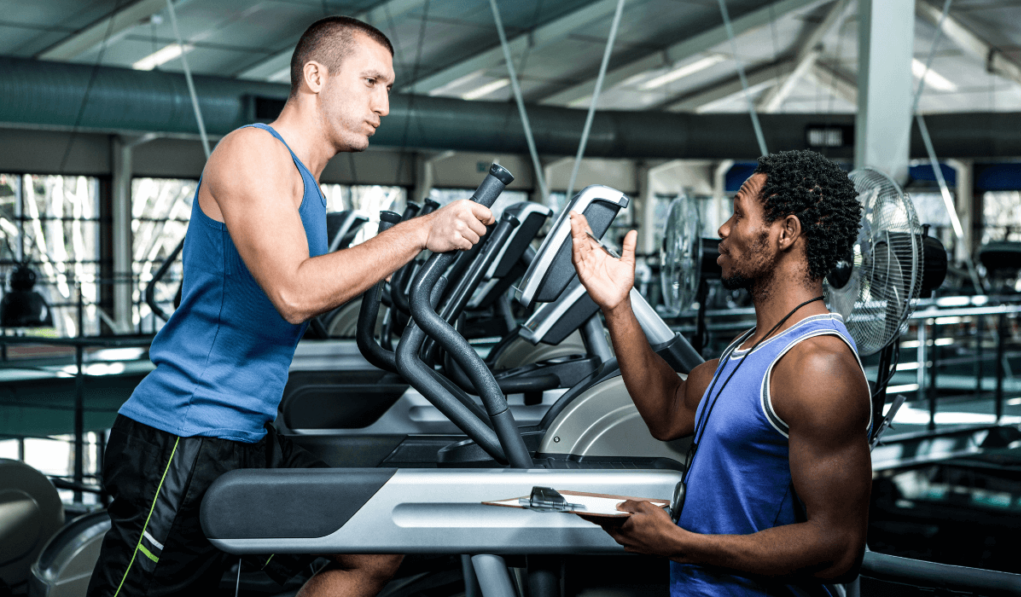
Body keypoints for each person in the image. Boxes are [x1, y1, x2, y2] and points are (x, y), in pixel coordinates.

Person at [88, 16, 495, 597]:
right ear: (315, 76)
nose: (384, 104)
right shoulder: (253, 152)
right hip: (184, 436)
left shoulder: (308, 185)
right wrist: (419, 233)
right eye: (371, 81)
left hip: (248, 437)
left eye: (389, 88)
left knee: (374, 549)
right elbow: (296, 293)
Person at [569, 150, 871, 596]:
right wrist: (617, 307)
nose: (723, 230)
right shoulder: (749, 349)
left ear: (785, 232)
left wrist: (681, 544)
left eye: (737, 214)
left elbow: (838, 548)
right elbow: (668, 411)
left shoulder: (817, 366)